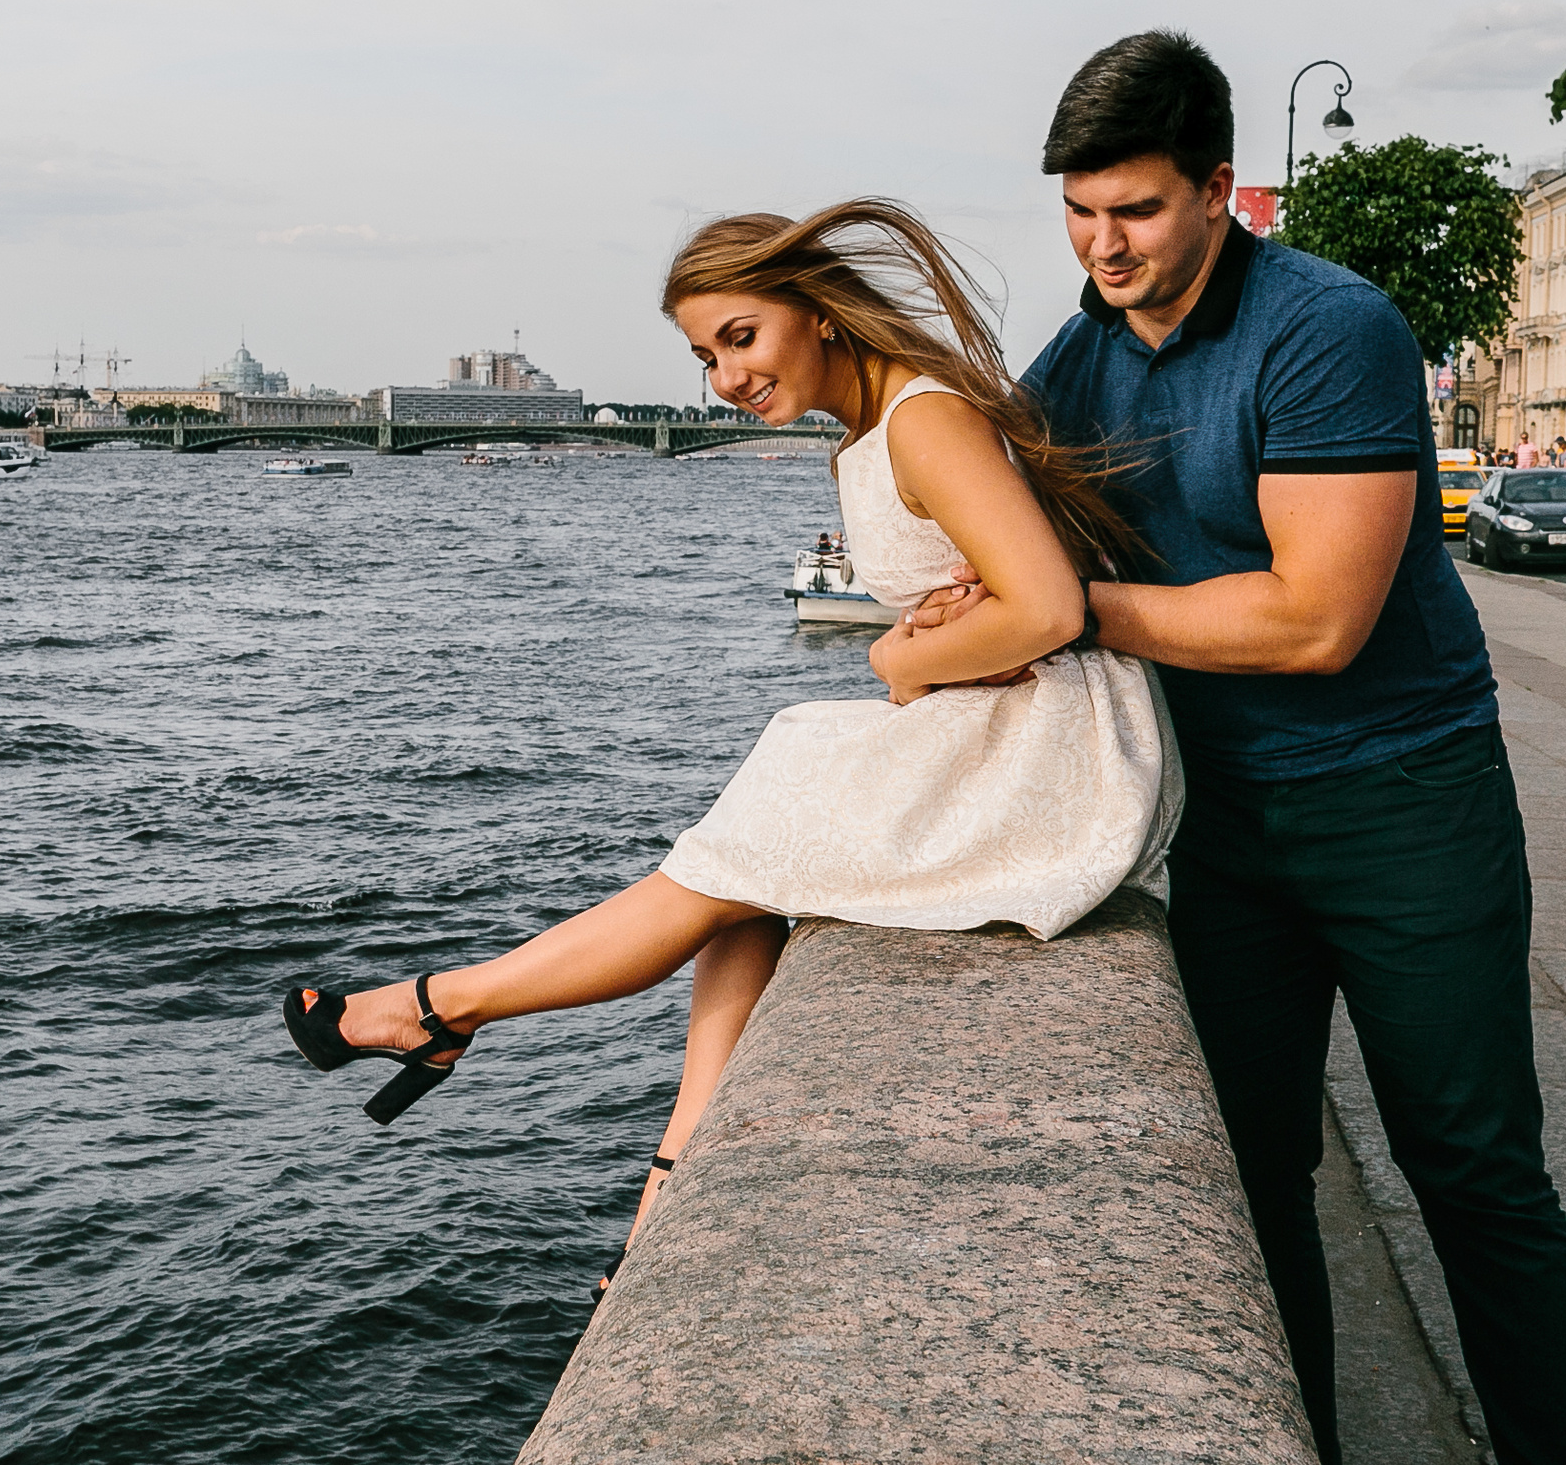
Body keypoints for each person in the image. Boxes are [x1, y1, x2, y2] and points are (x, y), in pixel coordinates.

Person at [925, 30, 1566, 1465]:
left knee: (1477, 1178)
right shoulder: (1085, 346)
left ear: (1221, 189)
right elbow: (1003, 501)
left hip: (1403, 802)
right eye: (1080, 213)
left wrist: (1074, 609)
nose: (1105, 247)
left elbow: (1316, 619)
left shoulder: (1331, 326)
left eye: (1138, 212)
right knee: (1251, 1182)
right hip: (1222, 825)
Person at [281, 199, 1182, 1297]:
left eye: (740, 338)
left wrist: (900, 661)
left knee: (771, 798)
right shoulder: (872, 431)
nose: (723, 379)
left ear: (818, 314)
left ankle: (441, 1007)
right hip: (1018, 730)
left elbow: (1046, 606)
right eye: (704, 355)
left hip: (1054, 756)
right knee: (758, 848)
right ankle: (672, 1161)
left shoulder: (922, 420)